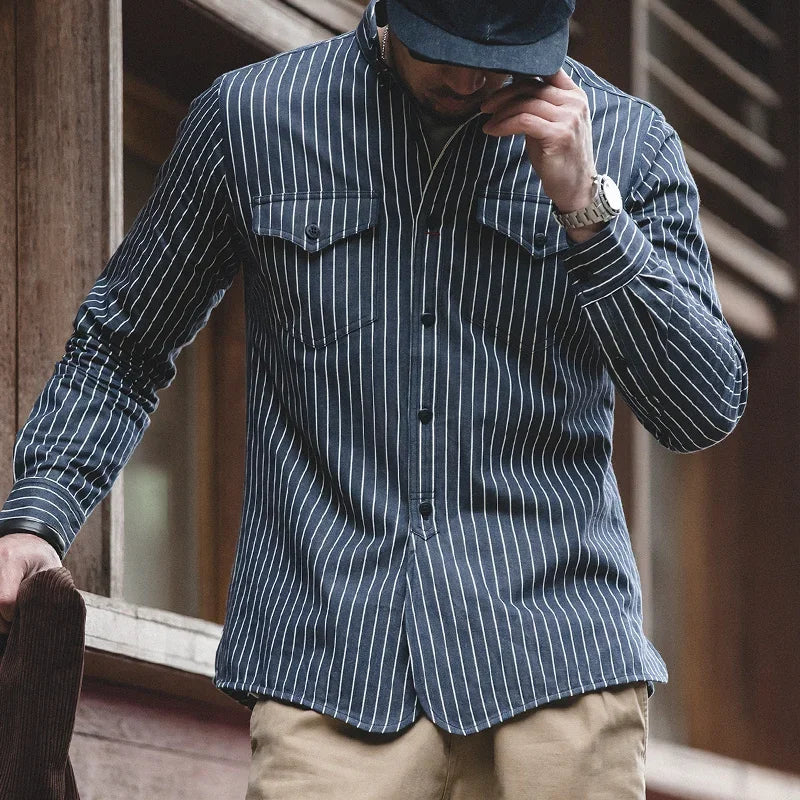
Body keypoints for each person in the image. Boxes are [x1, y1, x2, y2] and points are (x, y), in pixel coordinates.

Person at [0, 0, 748, 797]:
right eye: (445, 49)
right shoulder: (253, 120)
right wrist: (37, 518)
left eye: (500, 59)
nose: (469, 79)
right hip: (332, 672)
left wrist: (590, 211)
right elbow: (126, 341)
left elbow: (700, 407)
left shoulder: (630, 142)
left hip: (559, 673)